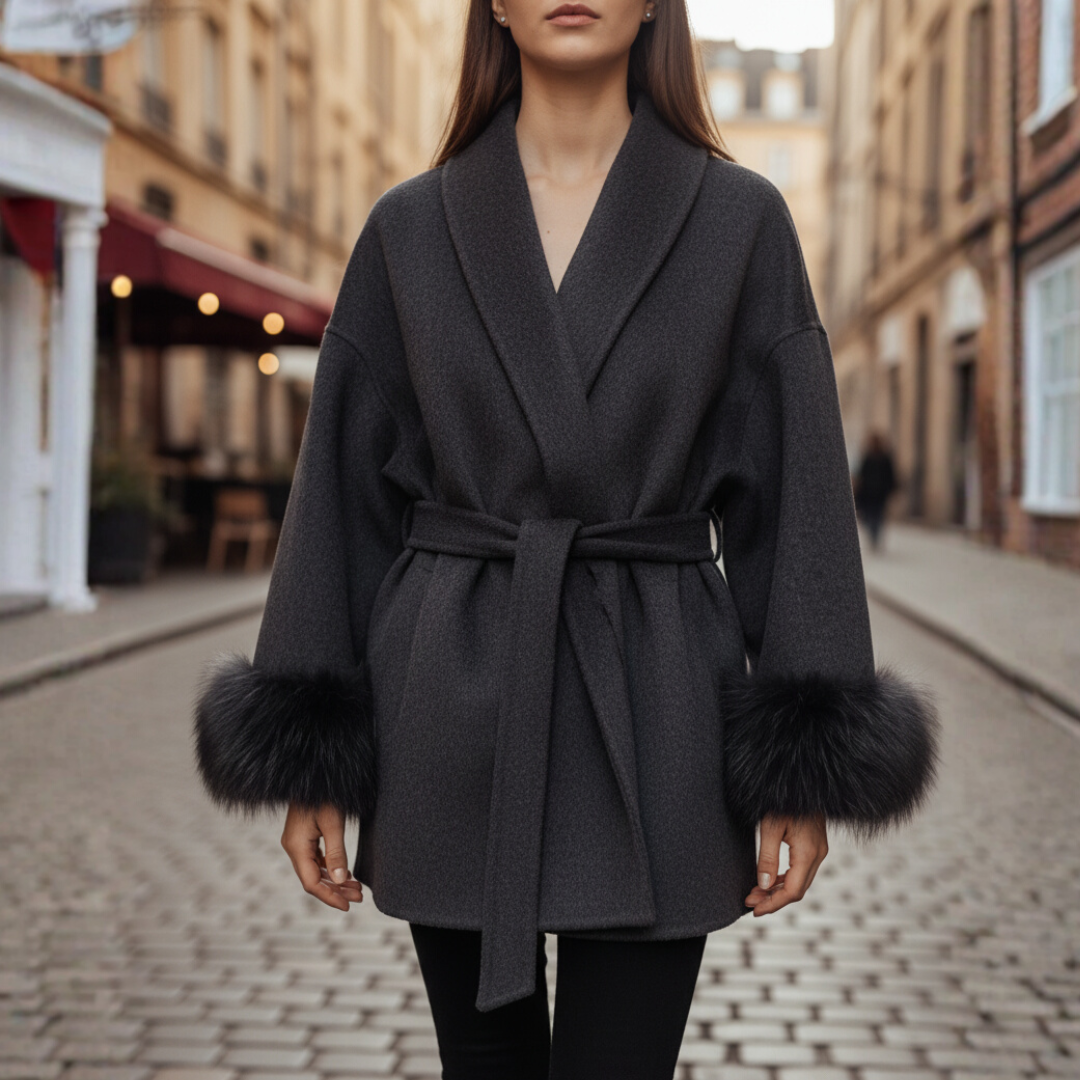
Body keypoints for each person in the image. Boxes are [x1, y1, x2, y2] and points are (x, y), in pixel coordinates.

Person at [193, 2, 942, 1076]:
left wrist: (803, 766)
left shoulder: (742, 223)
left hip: (659, 696)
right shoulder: (408, 228)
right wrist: (311, 748)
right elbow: (341, 507)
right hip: (450, 694)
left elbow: (799, 497)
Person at [855, 431, 899, 551]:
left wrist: (891, 489)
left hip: (879, 494)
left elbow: (890, 475)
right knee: (870, 517)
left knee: (877, 517)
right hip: (869, 494)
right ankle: (873, 537)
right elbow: (862, 475)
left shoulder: (884, 458)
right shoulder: (867, 457)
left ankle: (875, 538)